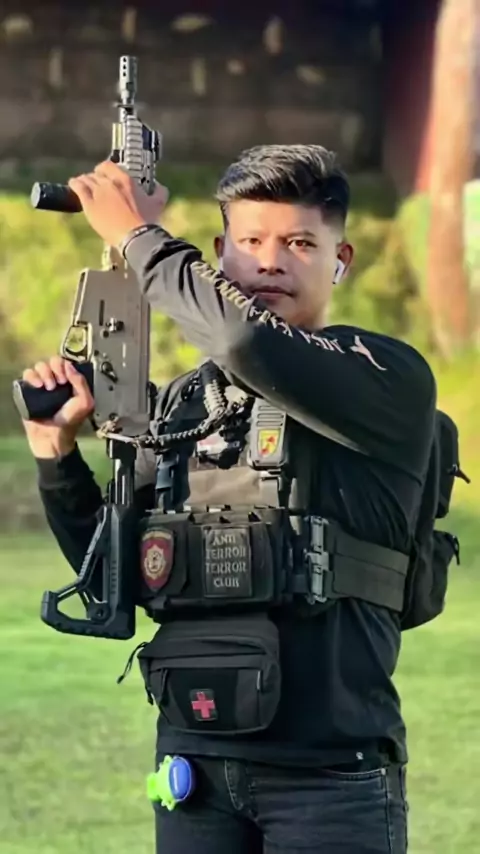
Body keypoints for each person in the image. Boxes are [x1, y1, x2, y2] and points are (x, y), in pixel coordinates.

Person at [21, 145, 437, 853]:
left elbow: (243, 338)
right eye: (250, 242)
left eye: (299, 243)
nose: (270, 262)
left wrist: (136, 236)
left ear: (341, 260)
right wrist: (55, 452)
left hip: (330, 779)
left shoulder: (385, 377)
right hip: (194, 772)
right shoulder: (187, 404)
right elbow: (109, 574)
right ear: (220, 255)